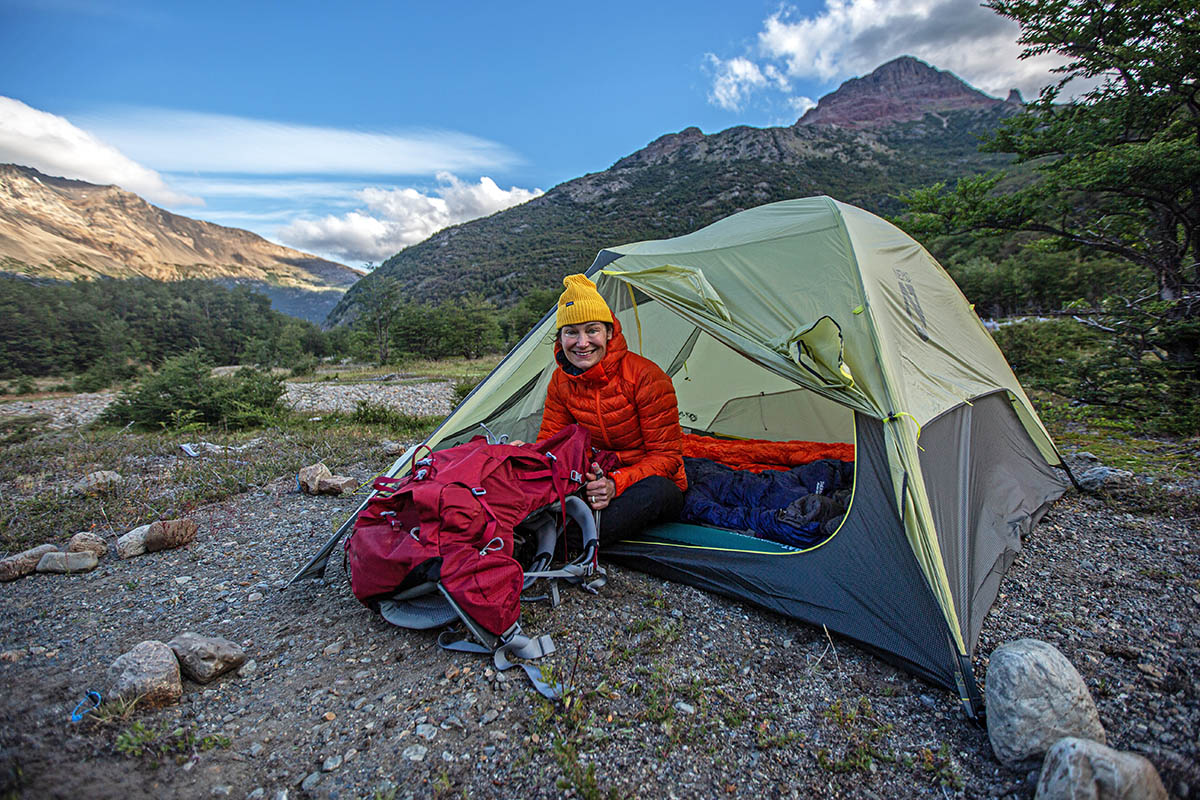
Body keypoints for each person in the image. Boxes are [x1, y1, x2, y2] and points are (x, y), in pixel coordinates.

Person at [531, 273, 687, 545]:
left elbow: (667, 457)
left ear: (610, 332)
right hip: (597, 477)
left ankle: (563, 541)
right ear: (561, 338)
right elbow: (552, 442)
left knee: (655, 493)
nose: (582, 343)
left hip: (651, 480)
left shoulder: (645, 377)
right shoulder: (561, 381)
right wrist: (529, 457)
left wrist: (616, 483)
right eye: (571, 332)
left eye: (592, 330)